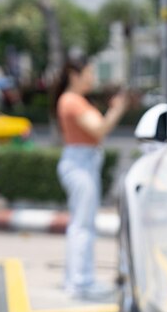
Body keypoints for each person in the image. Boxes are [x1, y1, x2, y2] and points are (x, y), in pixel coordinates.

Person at [54, 57, 128, 299]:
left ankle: (79, 280)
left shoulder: (72, 100)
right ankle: (80, 282)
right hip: (80, 164)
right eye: (89, 73)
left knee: (82, 224)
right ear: (75, 74)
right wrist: (118, 108)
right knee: (82, 226)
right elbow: (99, 129)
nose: (92, 78)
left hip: (83, 162)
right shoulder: (71, 101)